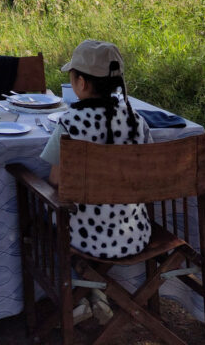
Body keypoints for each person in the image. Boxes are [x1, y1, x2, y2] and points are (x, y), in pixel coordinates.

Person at [41, 39, 153, 260]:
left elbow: (55, 181)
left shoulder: (70, 123)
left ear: (81, 83)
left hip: (82, 237)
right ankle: (98, 287)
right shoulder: (136, 120)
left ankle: (83, 282)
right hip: (135, 235)